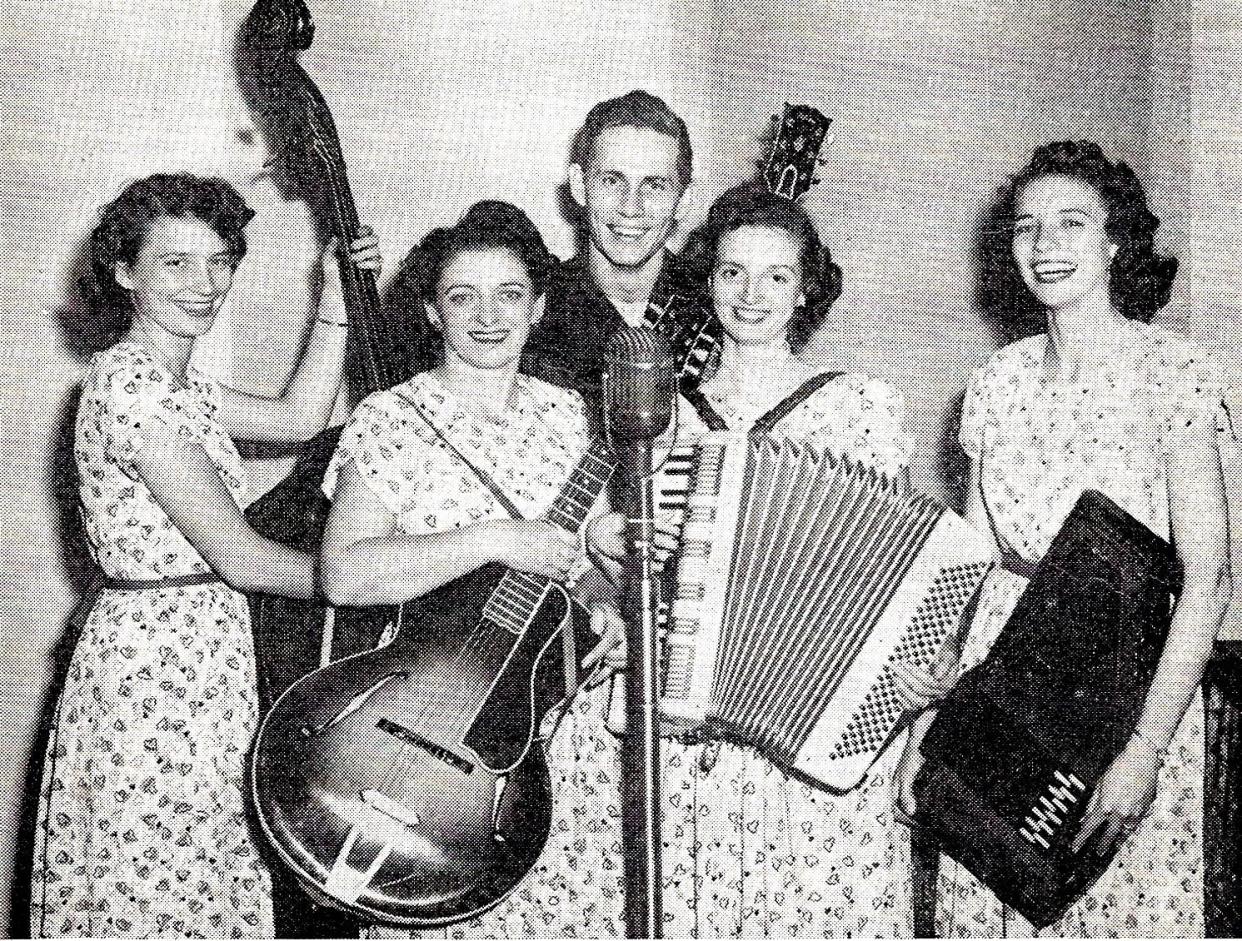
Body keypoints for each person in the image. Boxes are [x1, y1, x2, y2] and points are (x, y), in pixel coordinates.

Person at [588, 184, 948, 937]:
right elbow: (626, 572)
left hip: (816, 741)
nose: (751, 295)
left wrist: (922, 675)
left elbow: (906, 569)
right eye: (731, 273)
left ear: (806, 287)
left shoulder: (860, 405)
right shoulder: (661, 415)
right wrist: (620, 551)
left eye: (776, 276)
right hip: (691, 741)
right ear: (707, 279)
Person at [31, 172, 381, 938]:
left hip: (202, 655)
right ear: (125, 271)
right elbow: (247, 559)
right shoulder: (129, 385)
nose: (205, 283)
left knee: (201, 879)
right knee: (157, 888)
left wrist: (335, 302)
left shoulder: (179, 381)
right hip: (157, 665)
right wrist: (370, 579)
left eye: (220, 260)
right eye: (176, 263)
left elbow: (297, 416)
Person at [897, 141, 1230, 937]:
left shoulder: (1172, 370)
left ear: (1116, 241)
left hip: (1121, 705)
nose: (1045, 245)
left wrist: (1145, 751)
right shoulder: (996, 382)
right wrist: (925, 736)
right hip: (1003, 713)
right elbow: (968, 575)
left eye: (1071, 223)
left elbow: (1209, 580)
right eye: (1026, 227)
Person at [319, 201, 626, 937]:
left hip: (560, 733)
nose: (488, 316)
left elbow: (588, 561)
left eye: (510, 294)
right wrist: (491, 538)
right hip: (432, 737)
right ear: (431, 309)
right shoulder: (391, 418)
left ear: (540, 305)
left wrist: (604, 600)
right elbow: (345, 575)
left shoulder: (575, 417)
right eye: (463, 296)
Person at [521, 89, 713, 408]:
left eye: (654, 186)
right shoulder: (531, 310)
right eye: (612, 181)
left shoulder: (720, 306)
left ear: (684, 200)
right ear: (580, 186)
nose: (631, 207)